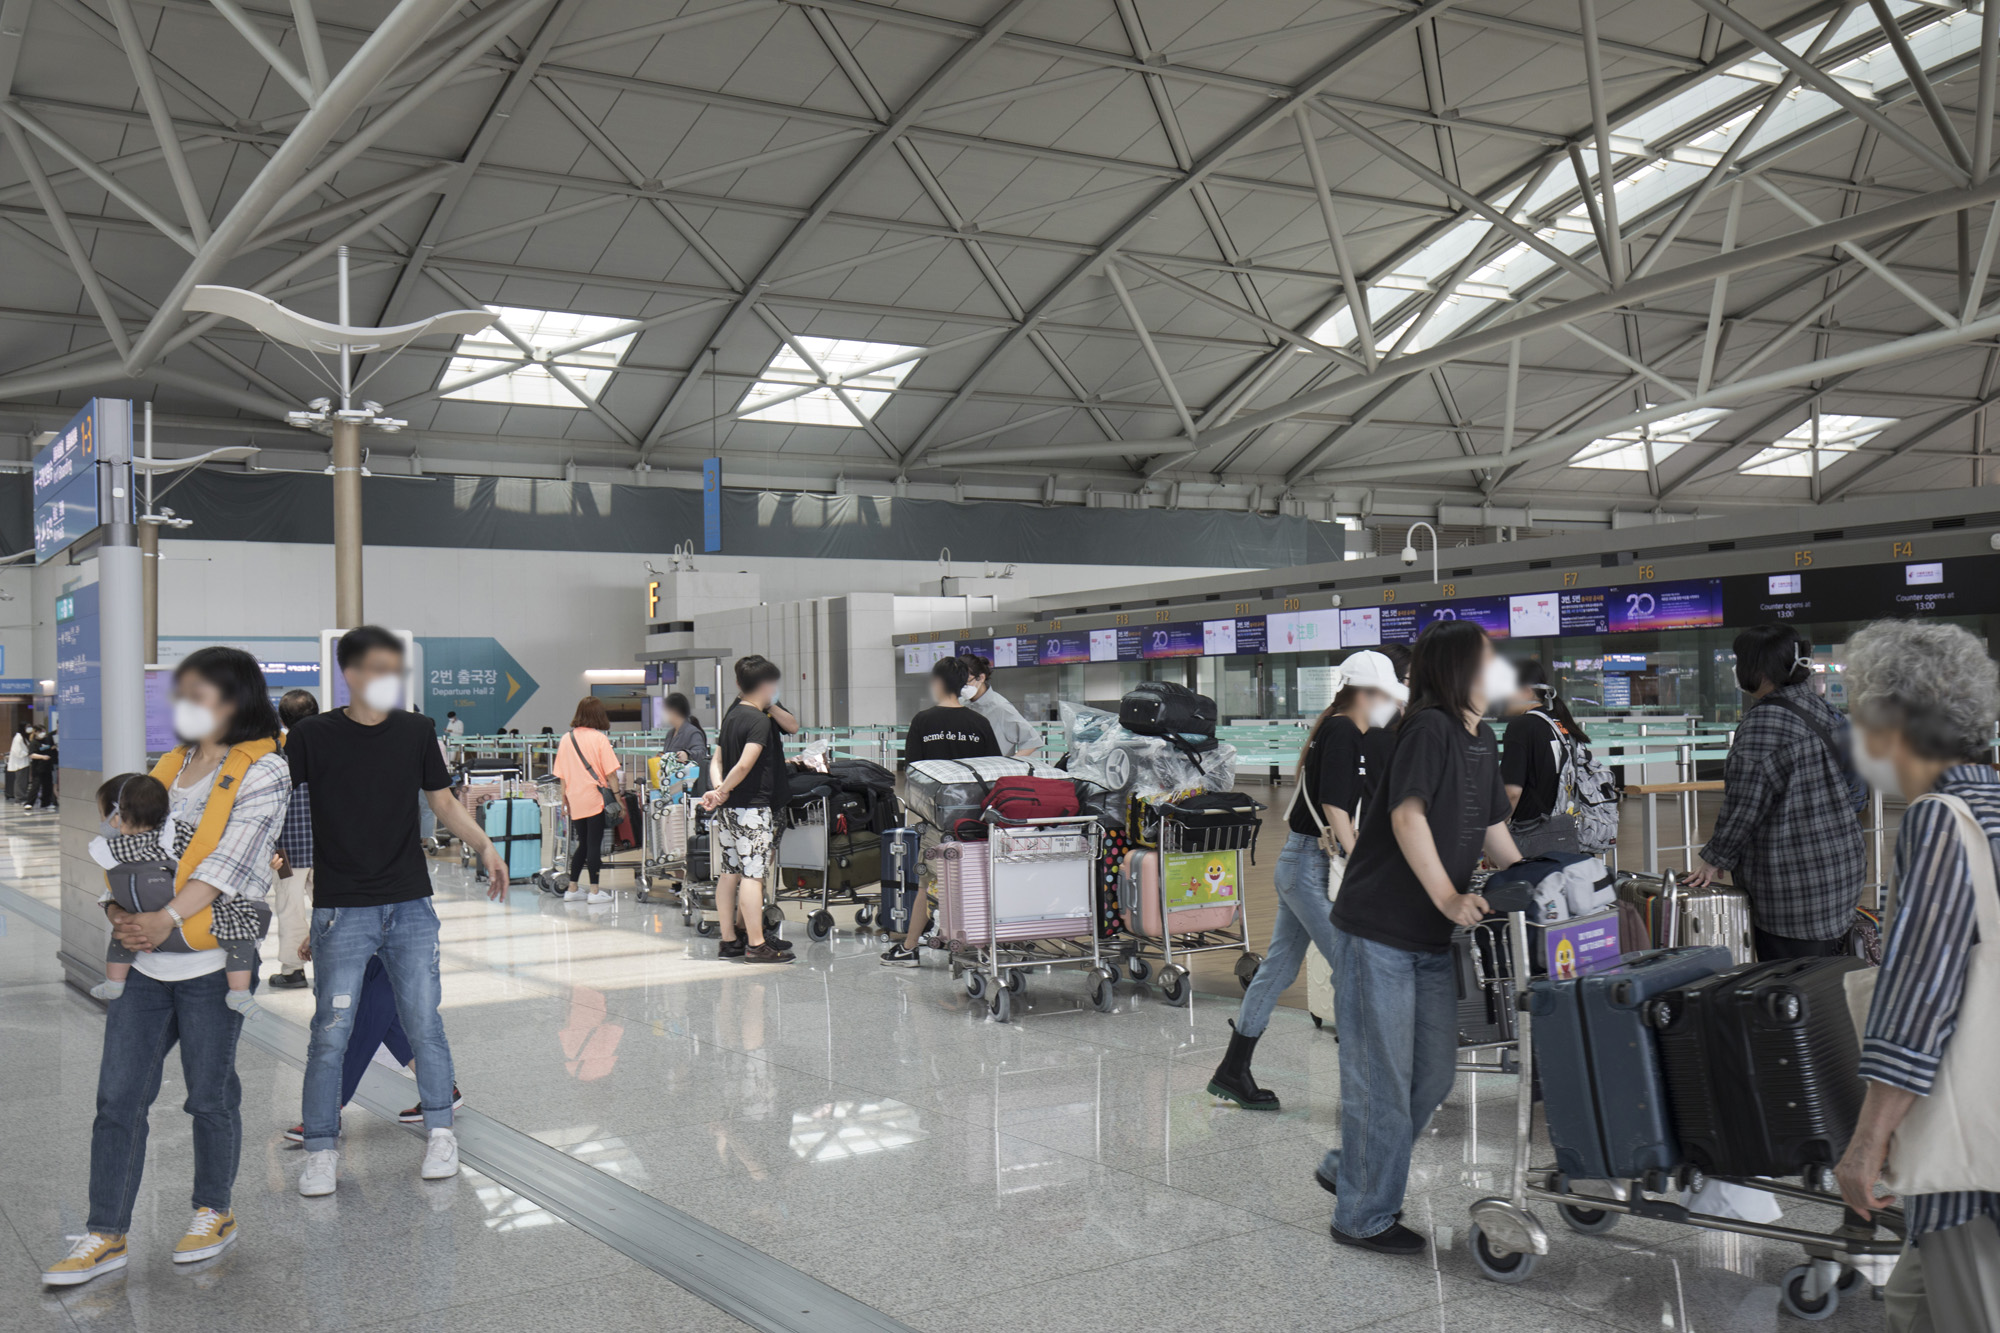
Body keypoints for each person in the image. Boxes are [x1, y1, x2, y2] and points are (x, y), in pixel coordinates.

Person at [42, 648, 291, 1286]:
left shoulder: (265, 770)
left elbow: (230, 865)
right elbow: (130, 840)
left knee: (208, 1097)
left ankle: (214, 1210)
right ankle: (106, 1232)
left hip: (212, 961)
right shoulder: (169, 765)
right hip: (149, 966)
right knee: (118, 1098)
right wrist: (122, 913)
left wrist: (165, 919)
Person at [1320, 620, 1522, 1255]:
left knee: (1431, 1074)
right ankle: (1361, 1215)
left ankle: (1350, 1167)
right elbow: (1407, 815)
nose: (1497, 674)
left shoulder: (1482, 737)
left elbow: (1492, 828)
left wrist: (1540, 881)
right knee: (1382, 1077)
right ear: (1459, 669)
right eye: (1488, 662)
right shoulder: (1428, 729)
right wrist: (1448, 895)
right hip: (1379, 928)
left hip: (1431, 940)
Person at [288, 625, 510, 1198]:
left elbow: (440, 803)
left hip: (410, 903)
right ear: (353, 674)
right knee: (329, 1032)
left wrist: (484, 845)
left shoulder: (417, 730)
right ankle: (320, 1148)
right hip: (342, 907)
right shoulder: (312, 735)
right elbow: (281, 807)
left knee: (425, 1024)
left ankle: (441, 1130)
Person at [1831, 619, 2000, 1330]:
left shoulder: (1941, 819)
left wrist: (1870, 1140)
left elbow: (1920, 993)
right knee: (1909, 1304)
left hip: (1973, 1162)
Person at [1209, 650, 1405, 1109]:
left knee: (1278, 967)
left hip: (1303, 863)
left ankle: (1232, 1070)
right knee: (1354, 967)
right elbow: (1336, 806)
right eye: (1387, 693)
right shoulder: (1341, 729)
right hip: (1308, 866)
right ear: (1366, 691)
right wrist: (1362, 861)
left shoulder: (1347, 728)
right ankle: (1371, 1081)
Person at [1687, 624, 1866, 958]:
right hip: (1842, 870)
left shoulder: (1764, 724)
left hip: (1793, 887)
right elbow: (1857, 790)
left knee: (1792, 990)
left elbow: (1744, 807)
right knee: (1830, 979)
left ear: (1755, 669)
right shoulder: (1825, 710)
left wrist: (1714, 859)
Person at [89, 773, 266, 1017]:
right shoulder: (176, 837)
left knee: (121, 936)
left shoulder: (110, 851)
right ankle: (239, 993)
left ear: (117, 818)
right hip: (193, 934)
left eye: (102, 814)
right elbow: (210, 864)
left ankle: (114, 983)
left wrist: (112, 909)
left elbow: (114, 889)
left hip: (141, 932)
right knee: (242, 934)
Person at [881, 655, 1001, 968]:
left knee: (928, 885)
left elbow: (913, 773)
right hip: (974, 820)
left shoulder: (923, 721)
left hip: (937, 819)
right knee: (974, 882)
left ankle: (910, 948)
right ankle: (974, 945)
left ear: (937, 683)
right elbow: (993, 772)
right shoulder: (980, 723)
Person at [698, 655, 798, 963]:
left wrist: (718, 793)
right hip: (752, 809)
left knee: (729, 873)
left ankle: (729, 940)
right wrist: (723, 790)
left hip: (730, 810)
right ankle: (756, 944)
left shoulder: (732, 716)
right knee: (753, 875)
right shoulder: (757, 721)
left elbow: (717, 760)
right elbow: (743, 764)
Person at [1500, 659, 1590, 858]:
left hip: (1530, 836)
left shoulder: (1521, 726)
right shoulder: (1561, 724)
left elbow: (1512, 793)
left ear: (1525, 691)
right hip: (1565, 833)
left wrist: (1498, 837)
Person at [268, 689, 319, 990]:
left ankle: (293, 970)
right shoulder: (333, 749)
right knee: (330, 905)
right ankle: (334, 962)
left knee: (289, 906)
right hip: (328, 849)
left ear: (283, 720)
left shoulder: (276, 756)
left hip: (286, 852)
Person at [552, 697, 625, 905]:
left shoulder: (567, 739)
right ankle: (594, 891)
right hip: (595, 798)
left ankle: (573, 887)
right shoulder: (599, 739)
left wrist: (564, 800)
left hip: (575, 799)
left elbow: (562, 775)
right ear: (599, 715)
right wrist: (618, 800)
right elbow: (611, 775)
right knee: (594, 844)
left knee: (582, 844)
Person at [960, 654, 1040, 758]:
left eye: (966, 682)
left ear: (981, 677)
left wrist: (1010, 764)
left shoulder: (1000, 707)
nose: (962, 687)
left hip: (991, 770)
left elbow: (1032, 740)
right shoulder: (960, 703)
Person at [660, 692, 711, 772]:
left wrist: (687, 754)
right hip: (671, 780)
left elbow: (701, 753)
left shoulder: (692, 732)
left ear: (674, 711)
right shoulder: (670, 733)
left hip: (688, 780)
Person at [28, 723, 56, 809]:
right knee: (36, 786)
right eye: (41, 731)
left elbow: (50, 747)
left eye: (44, 731)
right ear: (36, 732)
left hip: (47, 767)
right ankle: (29, 803)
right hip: (38, 768)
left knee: (47, 786)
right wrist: (42, 757)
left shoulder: (47, 740)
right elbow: (31, 755)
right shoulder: (34, 743)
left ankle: (46, 803)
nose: (43, 733)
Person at [6, 721, 29, 801]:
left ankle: (23, 794)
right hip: (20, 763)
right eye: (27, 727)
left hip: (24, 762)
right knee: (20, 781)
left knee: (24, 780)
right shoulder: (18, 737)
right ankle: (19, 796)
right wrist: (27, 753)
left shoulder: (24, 737)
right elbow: (17, 751)